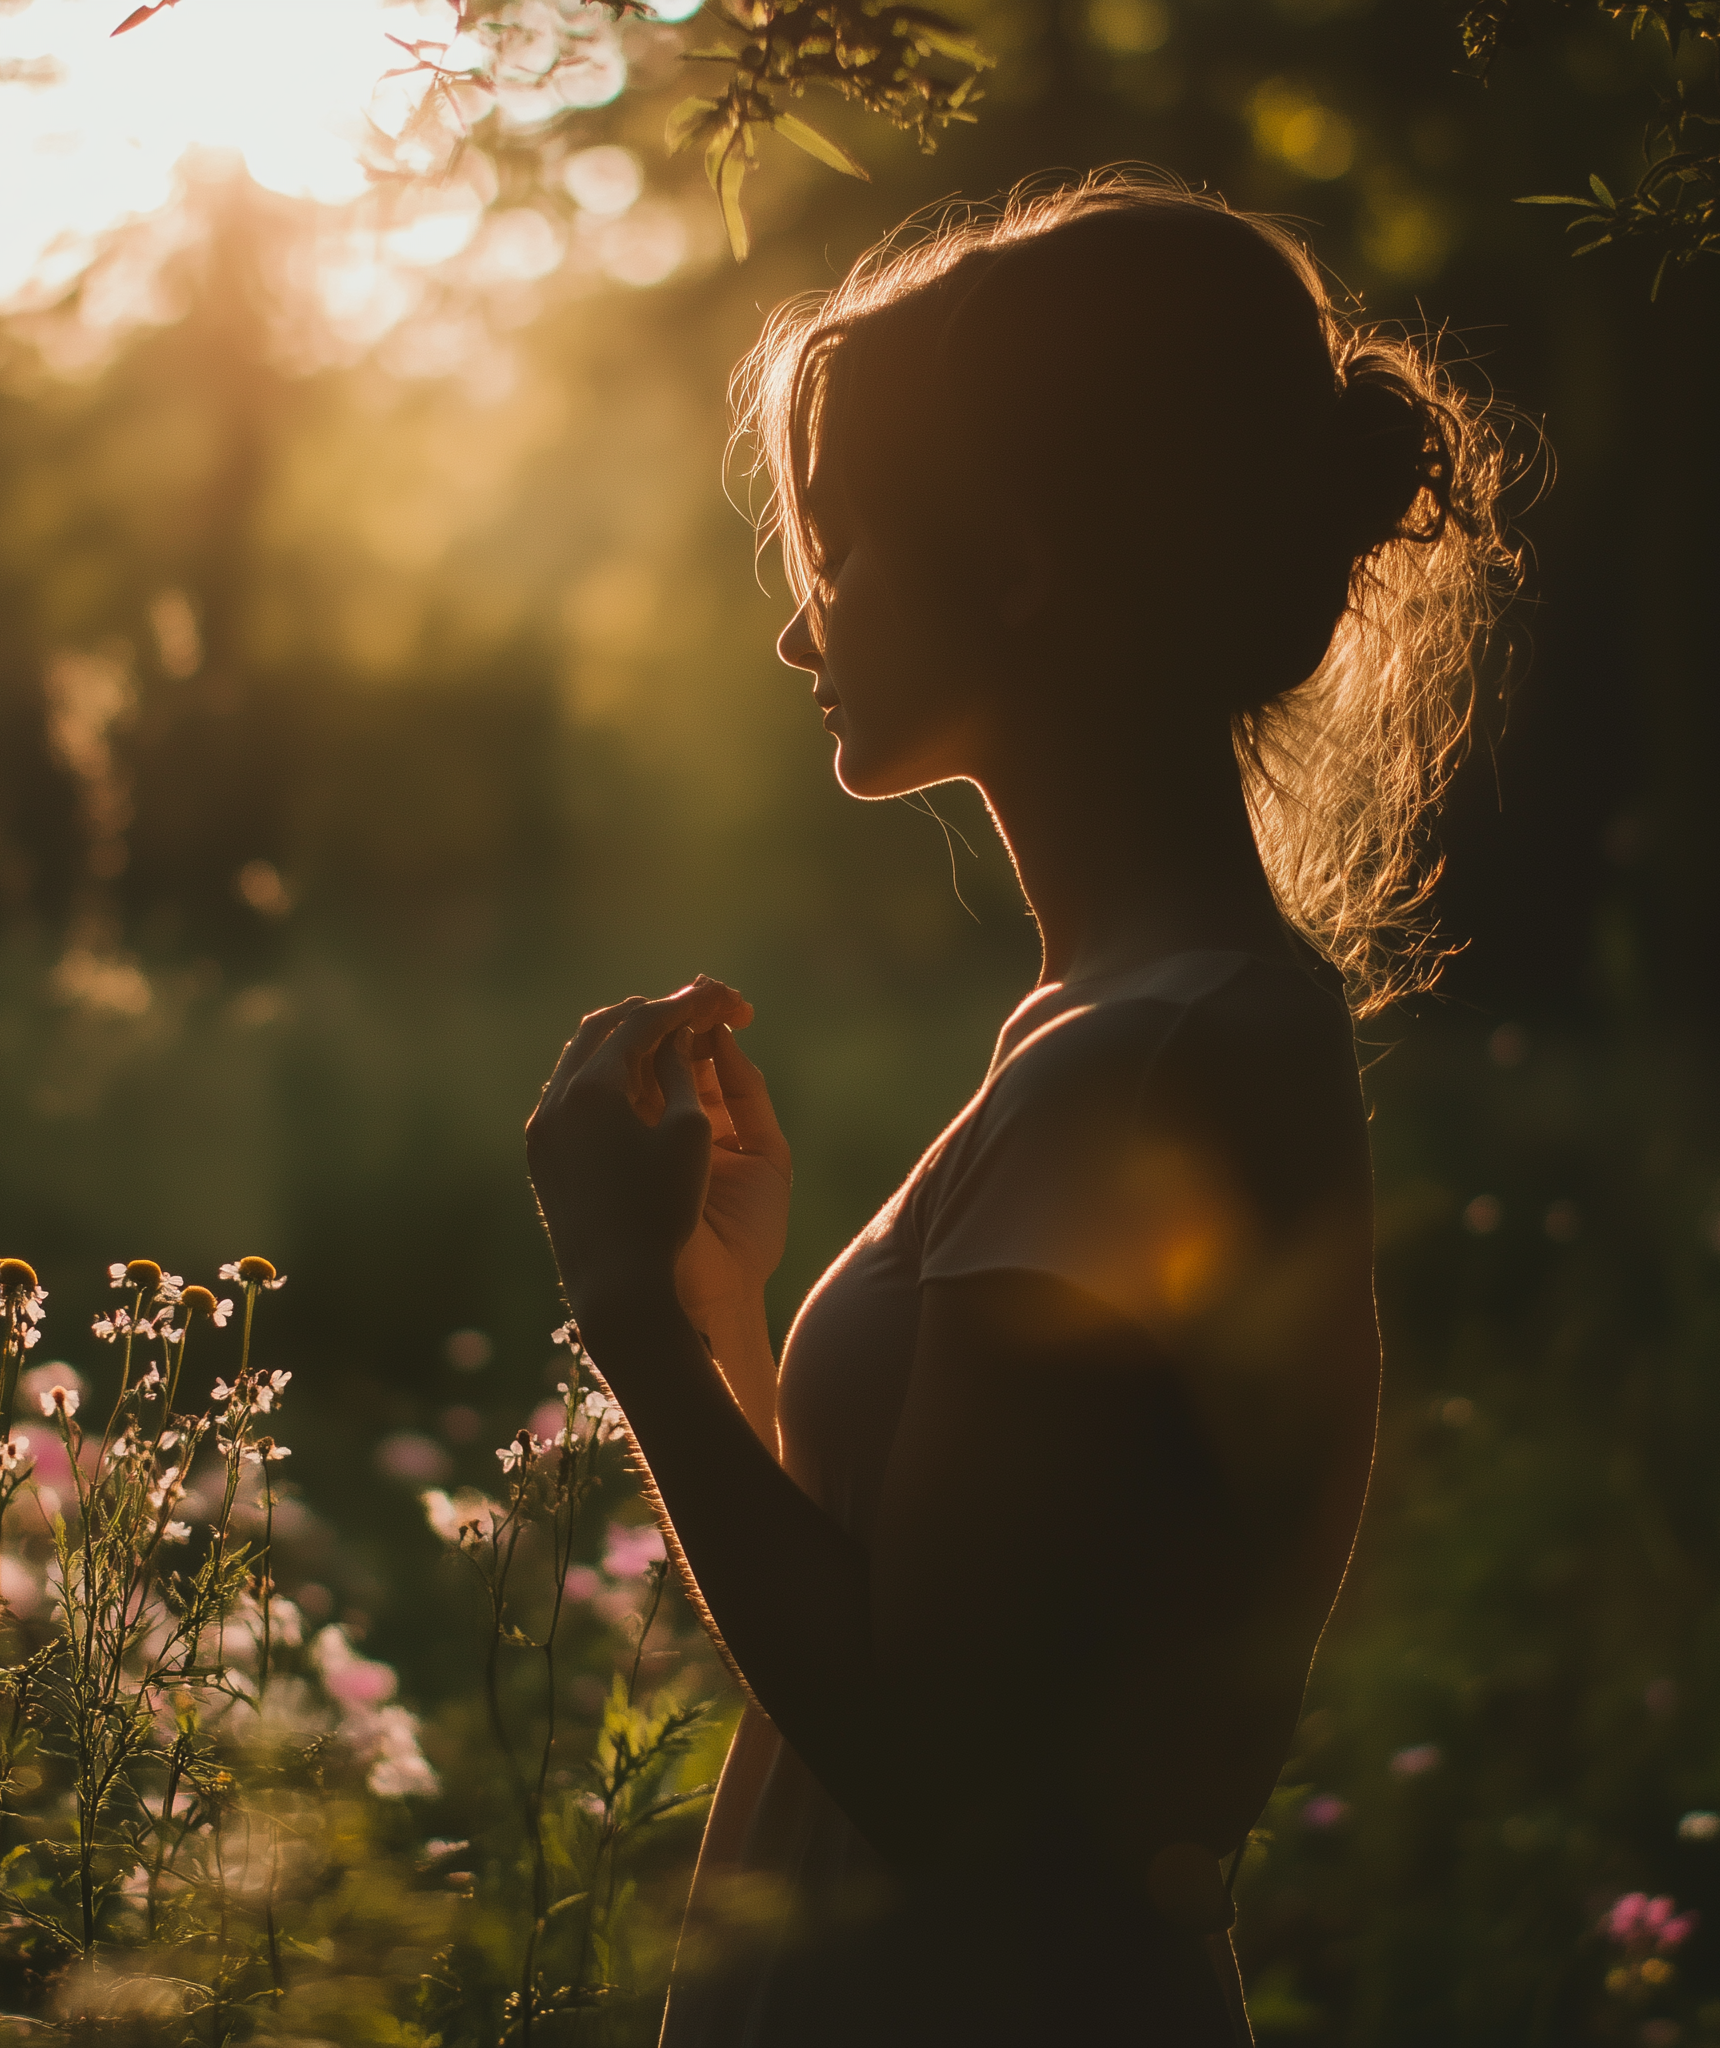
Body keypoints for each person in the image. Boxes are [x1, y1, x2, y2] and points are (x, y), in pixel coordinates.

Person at [523, 169, 1516, 2045]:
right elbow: (922, 1618)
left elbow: (938, 1781)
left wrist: (628, 1324)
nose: (800, 630)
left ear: (1025, 565)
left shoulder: (1145, 1064)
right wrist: (726, 1308)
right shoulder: (1115, 1027)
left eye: (843, 545)